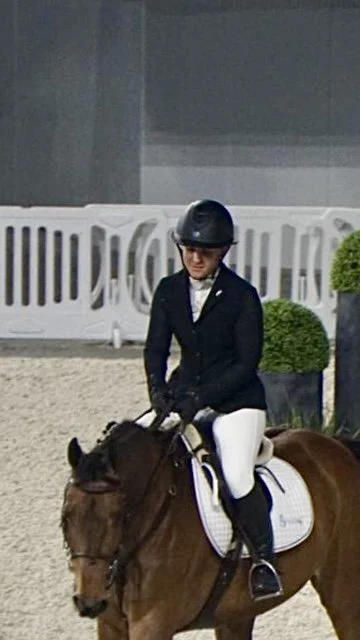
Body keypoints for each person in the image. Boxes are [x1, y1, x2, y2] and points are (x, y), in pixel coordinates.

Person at [143, 198, 283, 601]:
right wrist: (157, 389)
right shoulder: (169, 290)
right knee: (140, 449)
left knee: (237, 474)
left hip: (236, 402)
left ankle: (263, 560)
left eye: (204, 251)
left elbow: (246, 363)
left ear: (221, 252)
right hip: (183, 394)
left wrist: (201, 399)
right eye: (188, 249)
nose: (195, 258)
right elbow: (156, 348)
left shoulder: (241, 295)